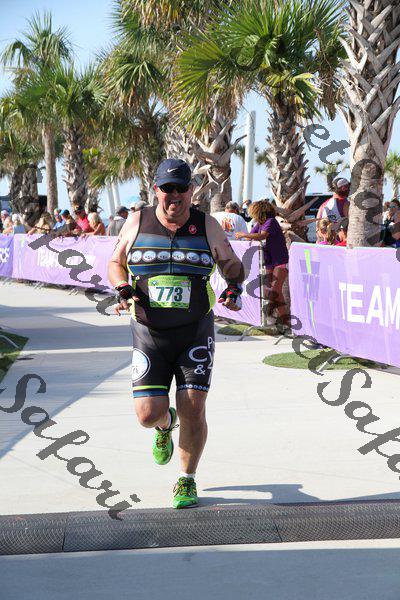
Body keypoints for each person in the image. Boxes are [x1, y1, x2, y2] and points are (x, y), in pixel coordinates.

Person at [108, 158, 243, 509]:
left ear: (191, 190)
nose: (175, 195)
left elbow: (231, 263)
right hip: (149, 333)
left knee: (194, 408)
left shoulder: (207, 225)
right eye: (167, 188)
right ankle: (164, 424)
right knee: (147, 415)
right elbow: (115, 262)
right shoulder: (137, 222)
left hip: (194, 332)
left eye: (181, 188)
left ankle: (187, 478)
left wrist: (234, 284)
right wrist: (122, 287)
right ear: (156, 190)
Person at [235, 199, 289, 327]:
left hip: (280, 260)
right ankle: (277, 318)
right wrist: (245, 237)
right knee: (271, 292)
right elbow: (252, 235)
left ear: (259, 212)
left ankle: (285, 321)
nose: (252, 216)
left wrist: (242, 234)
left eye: (253, 213)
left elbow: (261, 236)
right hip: (269, 261)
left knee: (275, 291)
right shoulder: (260, 223)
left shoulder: (271, 221)